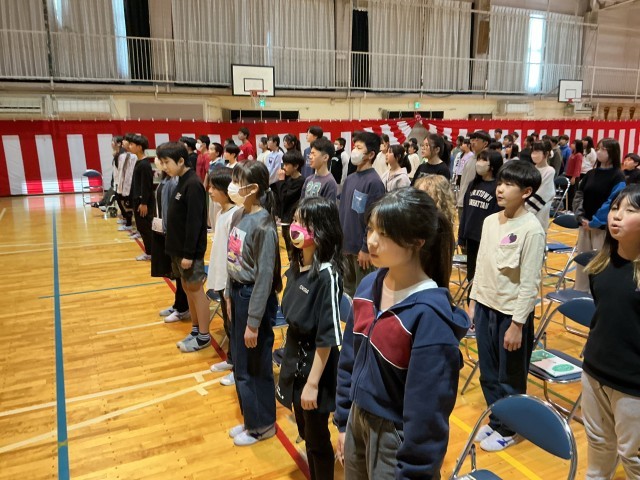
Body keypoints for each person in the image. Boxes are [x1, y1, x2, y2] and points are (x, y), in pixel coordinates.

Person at [334, 187, 470, 479]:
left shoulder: (430, 317)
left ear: (417, 242)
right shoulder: (367, 287)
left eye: (384, 233)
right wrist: (343, 420)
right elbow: (349, 359)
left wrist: (413, 471)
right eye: (371, 229)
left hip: (393, 437)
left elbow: (427, 414)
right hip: (357, 418)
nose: (371, 240)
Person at [470, 160, 546, 452]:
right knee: (488, 374)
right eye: (500, 183)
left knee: (510, 377)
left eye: (509, 185)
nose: (500, 189)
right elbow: (481, 265)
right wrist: (474, 301)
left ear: (526, 192)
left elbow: (529, 282)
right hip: (485, 307)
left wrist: (517, 325)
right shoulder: (491, 221)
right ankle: (498, 419)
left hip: (510, 315)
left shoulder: (531, 229)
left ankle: (512, 429)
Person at [276, 197, 344, 480]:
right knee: (305, 432)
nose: (296, 227)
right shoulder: (296, 264)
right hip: (294, 362)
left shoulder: (327, 275)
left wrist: (312, 385)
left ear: (322, 230)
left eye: (304, 224)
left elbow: (327, 338)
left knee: (317, 440)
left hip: (315, 369)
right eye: (295, 220)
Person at [582, 185, 640, 480]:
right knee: (599, 446)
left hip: (633, 385)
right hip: (594, 371)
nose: (617, 215)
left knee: (633, 458)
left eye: (630, 210)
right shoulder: (600, 265)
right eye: (616, 208)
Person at [225, 161, 282, 446]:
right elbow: (231, 258)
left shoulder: (264, 225)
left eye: (239, 181)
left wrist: (253, 322)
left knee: (255, 365)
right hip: (237, 293)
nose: (233, 186)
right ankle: (251, 419)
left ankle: (263, 425)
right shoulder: (239, 215)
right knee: (240, 363)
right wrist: (227, 293)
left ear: (254, 188)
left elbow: (264, 278)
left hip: (252, 297)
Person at [158, 142, 210, 353]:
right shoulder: (180, 181)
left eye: (166, 162)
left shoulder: (193, 184)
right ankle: (196, 330)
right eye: (161, 162)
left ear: (181, 161)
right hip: (178, 250)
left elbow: (194, 223)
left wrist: (189, 254)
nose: (164, 167)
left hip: (189, 253)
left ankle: (204, 336)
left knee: (196, 290)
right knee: (188, 290)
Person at [572, 138, 627, 292]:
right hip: (584, 224)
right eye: (598, 148)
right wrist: (581, 217)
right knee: (583, 260)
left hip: (602, 228)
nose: (599, 152)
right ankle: (580, 290)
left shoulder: (618, 176)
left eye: (603, 149)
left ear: (612, 152)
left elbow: (612, 201)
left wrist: (595, 221)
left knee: (599, 262)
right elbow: (579, 195)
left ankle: (597, 293)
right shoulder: (591, 173)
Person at [339, 131, 386, 297]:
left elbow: (374, 220)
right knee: (347, 293)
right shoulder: (350, 179)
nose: (354, 151)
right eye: (354, 147)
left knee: (363, 295)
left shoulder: (374, 182)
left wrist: (366, 248)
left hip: (362, 252)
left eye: (359, 148)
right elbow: (343, 213)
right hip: (346, 247)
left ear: (371, 154)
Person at [206, 169, 239, 381]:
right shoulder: (220, 213)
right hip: (219, 276)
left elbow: (234, 254)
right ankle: (232, 358)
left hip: (230, 280)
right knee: (228, 324)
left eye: (214, 187)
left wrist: (229, 285)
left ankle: (239, 369)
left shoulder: (235, 215)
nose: (209, 191)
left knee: (235, 325)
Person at [151, 157, 190, 324]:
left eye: (165, 161)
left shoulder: (176, 183)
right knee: (176, 274)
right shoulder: (165, 180)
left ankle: (183, 307)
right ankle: (178, 304)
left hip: (172, 234)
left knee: (181, 276)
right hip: (164, 231)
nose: (162, 164)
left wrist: (168, 230)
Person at [458, 150, 503, 283]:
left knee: (484, 275)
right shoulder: (473, 184)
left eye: (483, 160)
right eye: (478, 159)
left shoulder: (498, 187)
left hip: (487, 238)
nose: (479, 163)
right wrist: (461, 236)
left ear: (492, 165)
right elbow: (466, 212)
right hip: (471, 237)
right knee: (471, 275)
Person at [274, 150, 305, 259]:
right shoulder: (288, 179)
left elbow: (284, 197)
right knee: (288, 249)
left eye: (287, 165)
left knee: (294, 250)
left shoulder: (301, 181)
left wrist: (281, 180)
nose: (284, 167)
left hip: (292, 220)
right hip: (284, 219)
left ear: (296, 166)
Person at [129, 135, 155, 261]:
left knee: (145, 227)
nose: (130, 146)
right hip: (138, 199)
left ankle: (151, 253)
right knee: (141, 227)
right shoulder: (139, 162)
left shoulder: (144, 164)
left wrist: (144, 202)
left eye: (132, 144)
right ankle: (150, 251)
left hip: (142, 201)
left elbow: (146, 185)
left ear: (139, 147)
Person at [457, 130, 490, 222]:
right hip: (463, 199)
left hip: (474, 202)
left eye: (477, 140)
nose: (473, 142)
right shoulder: (471, 157)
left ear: (485, 143)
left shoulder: (485, 161)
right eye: (472, 140)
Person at [527, 140, 556, 232]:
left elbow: (542, 193)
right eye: (533, 151)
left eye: (537, 151)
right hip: (526, 207)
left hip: (539, 210)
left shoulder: (549, 171)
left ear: (546, 153)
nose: (534, 154)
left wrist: (524, 209)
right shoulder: (531, 169)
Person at [301, 137, 338, 202]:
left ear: (325, 157)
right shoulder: (308, 179)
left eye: (314, 154)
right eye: (310, 153)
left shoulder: (330, 182)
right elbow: (301, 202)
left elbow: (329, 207)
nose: (310, 157)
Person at [565, 138, 584, 209]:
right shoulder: (572, 153)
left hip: (573, 176)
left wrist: (574, 177)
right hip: (568, 174)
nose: (572, 145)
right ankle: (566, 207)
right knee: (567, 193)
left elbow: (577, 167)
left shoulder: (579, 155)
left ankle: (571, 208)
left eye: (574, 144)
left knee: (572, 193)